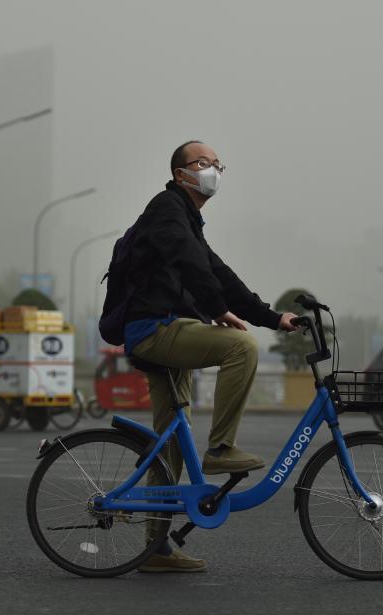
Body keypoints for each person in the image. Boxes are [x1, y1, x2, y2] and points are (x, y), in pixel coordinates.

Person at [124, 140, 298, 572]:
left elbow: (219, 273)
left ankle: (155, 549)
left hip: (165, 331)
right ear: (180, 172)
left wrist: (273, 318)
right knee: (240, 346)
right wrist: (218, 309)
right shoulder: (166, 208)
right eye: (202, 163)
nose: (213, 170)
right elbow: (190, 263)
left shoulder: (188, 219)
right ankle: (220, 447)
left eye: (217, 164)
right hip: (155, 329)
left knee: (170, 445)